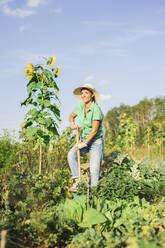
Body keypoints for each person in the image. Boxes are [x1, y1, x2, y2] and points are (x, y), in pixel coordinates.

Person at [67, 83, 104, 192]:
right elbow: (71, 116)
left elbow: (94, 130)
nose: (83, 95)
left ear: (92, 95)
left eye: (86, 93)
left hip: (95, 142)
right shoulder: (80, 106)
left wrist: (84, 143)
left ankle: (93, 196)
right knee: (71, 155)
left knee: (94, 170)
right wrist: (72, 123)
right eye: (82, 93)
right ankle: (77, 182)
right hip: (83, 139)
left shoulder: (96, 109)